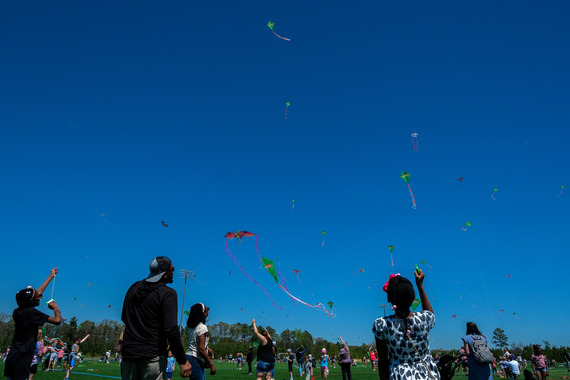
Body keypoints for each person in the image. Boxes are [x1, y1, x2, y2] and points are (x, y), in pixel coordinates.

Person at [120, 256, 192, 380]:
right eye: (172, 270)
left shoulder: (133, 288)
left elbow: (125, 319)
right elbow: (171, 330)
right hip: (152, 357)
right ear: (164, 274)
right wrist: (182, 360)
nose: (173, 273)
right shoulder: (168, 293)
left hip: (128, 356)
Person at [373, 269, 440, 380]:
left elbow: (383, 361)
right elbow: (430, 314)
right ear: (413, 297)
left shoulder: (382, 324)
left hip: (399, 376)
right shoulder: (424, 318)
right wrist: (420, 286)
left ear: (390, 299)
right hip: (426, 375)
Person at [4, 268, 62, 380]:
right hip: (22, 358)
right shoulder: (31, 313)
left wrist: (51, 276)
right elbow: (57, 321)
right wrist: (56, 308)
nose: (40, 296)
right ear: (31, 301)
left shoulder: (19, 311)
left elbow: (37, 293)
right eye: (37, 297)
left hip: (14, 357)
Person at [185, 303, 215, 380]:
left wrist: (207, 349)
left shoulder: (193, 327)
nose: (208, 309)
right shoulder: (202, 327)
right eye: (206, 308)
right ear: (203, 313)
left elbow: (196, 344)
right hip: (195, 359)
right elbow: (201, 349)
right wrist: (211, 363)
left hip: (191, 357)